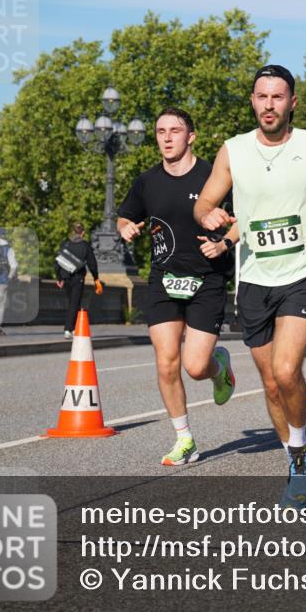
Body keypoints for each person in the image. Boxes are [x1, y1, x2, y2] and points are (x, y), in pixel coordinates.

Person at [193, 64, 306, 509]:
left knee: (288, 371)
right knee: (271, 383)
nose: (268, 105)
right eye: (261, 97)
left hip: (304, 271)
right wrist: (209, 216)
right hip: (253, 277)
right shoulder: (232, 151)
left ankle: (302, 451)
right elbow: (207, 201)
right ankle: (295, 454)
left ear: (291, 102)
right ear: (252, 101)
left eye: (277, 97)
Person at [117, 106, 237, 467]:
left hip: (208, 278)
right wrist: (126, 226)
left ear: (191, 136)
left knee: (195, 367)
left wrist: (223, 244)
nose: (167, 137)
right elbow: (126, 213)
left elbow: (241, 220)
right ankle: (184, 439)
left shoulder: (213, 177)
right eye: (160, 131)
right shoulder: (147, 181)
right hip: (164, 279)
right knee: (166, 361)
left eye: (175, 131)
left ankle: (220, 368)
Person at [55, 222, 102, 339]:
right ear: (83, 232)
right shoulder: (85, 245)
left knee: (71, 302)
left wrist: (59, 278)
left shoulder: (65, 243)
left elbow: (57, 262)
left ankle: (73, 328)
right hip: (78, 277)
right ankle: (68, 329)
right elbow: (92, 264)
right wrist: (96, 278)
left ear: (73, 231)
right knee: (74, 303)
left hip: (65, 277)